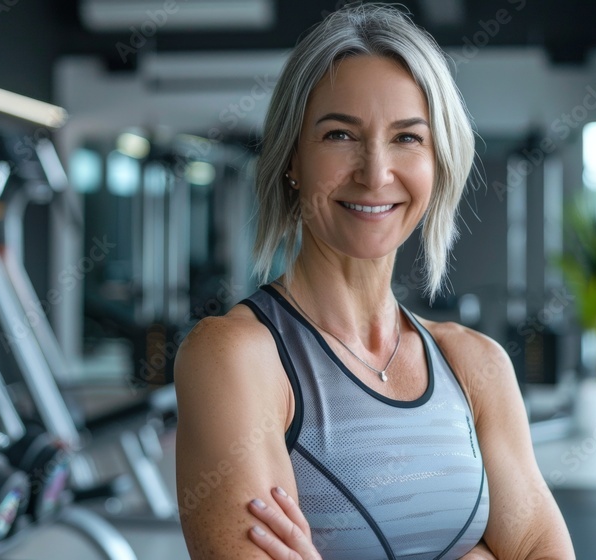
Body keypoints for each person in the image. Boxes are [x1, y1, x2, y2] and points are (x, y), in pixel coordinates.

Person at [174, 4, 574, 559]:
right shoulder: (235, 357)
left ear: (438, 164)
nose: (375, 172)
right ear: (293, 157)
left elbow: (539, 548)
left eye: (407, 138)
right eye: (340, 134)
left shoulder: (476, 363)